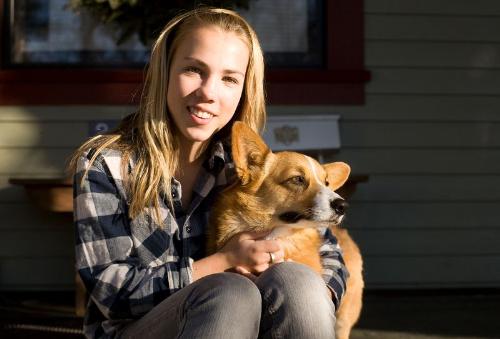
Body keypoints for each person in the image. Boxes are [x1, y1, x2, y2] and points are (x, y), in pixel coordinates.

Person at [70, 7, 348, 339]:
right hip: (136, 329)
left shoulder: (245, 166)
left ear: (245, 89)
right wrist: (225, 260)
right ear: (164, 72)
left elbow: (329, 253)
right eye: (193, 70)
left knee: (300, 279)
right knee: (230, 291)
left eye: (229, 78)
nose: (208, 93)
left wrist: (316, 298)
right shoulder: (107, 163)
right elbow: (110, 293)